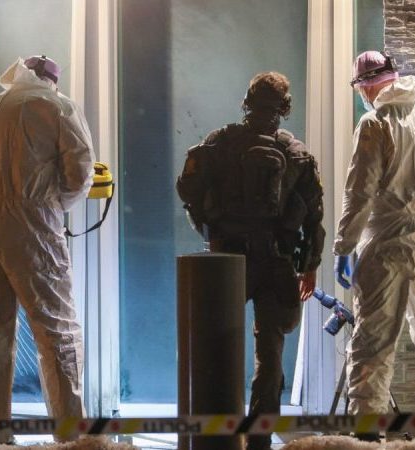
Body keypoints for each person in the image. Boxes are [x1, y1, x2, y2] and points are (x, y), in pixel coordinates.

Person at [176, 71, 325, 450]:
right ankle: (260, 438)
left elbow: (188, 190)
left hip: (225, 260)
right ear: (285, 107)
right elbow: (314, 216)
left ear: (247, 102)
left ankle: (217, 434)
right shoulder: (297, 153)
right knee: (270, 352)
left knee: (215, 345)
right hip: (277, 262)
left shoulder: (219, 143)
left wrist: (210, 232)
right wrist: (309, 265)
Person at [0, 55, 94, 444]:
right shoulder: (57, 106)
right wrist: (53, 206)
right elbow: (80, 174)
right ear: (52, 81)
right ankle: (72, 437)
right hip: (28, 219)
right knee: (57, 329)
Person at [333, 51, 415, 446]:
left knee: (374, 340)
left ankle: (367, 432)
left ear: (366, 85)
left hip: (387, 244)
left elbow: (360, 192)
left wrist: (345, 245)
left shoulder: (375, 122)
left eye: (360, 88)